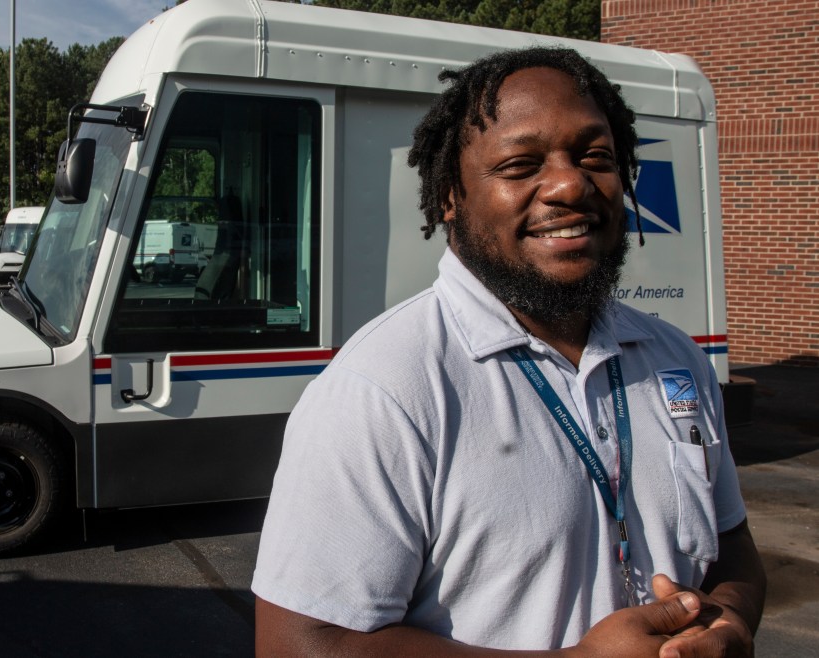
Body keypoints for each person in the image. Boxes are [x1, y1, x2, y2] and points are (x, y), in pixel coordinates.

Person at [252, 47, 766, 656]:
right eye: (521, 164)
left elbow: (732, 550)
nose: (570, 183)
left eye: (595, 156)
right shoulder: (382, 388)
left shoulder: (675, 359)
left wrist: (729, 619)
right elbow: (299, 643)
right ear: (450, 197)